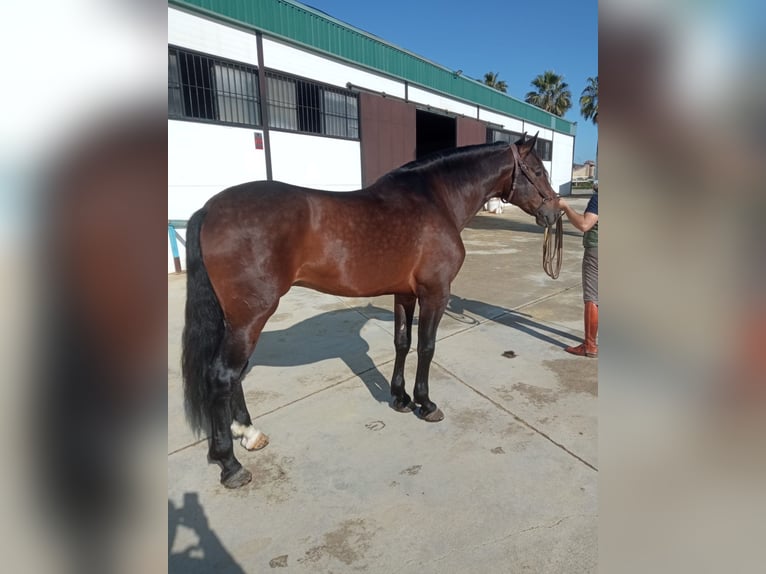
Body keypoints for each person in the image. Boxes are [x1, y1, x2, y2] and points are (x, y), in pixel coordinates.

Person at [558, 181, 599, 357]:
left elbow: (584, 224)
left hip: (597, 251)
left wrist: (566, 207)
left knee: (592, 296)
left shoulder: (599, 199)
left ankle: (590, 345)